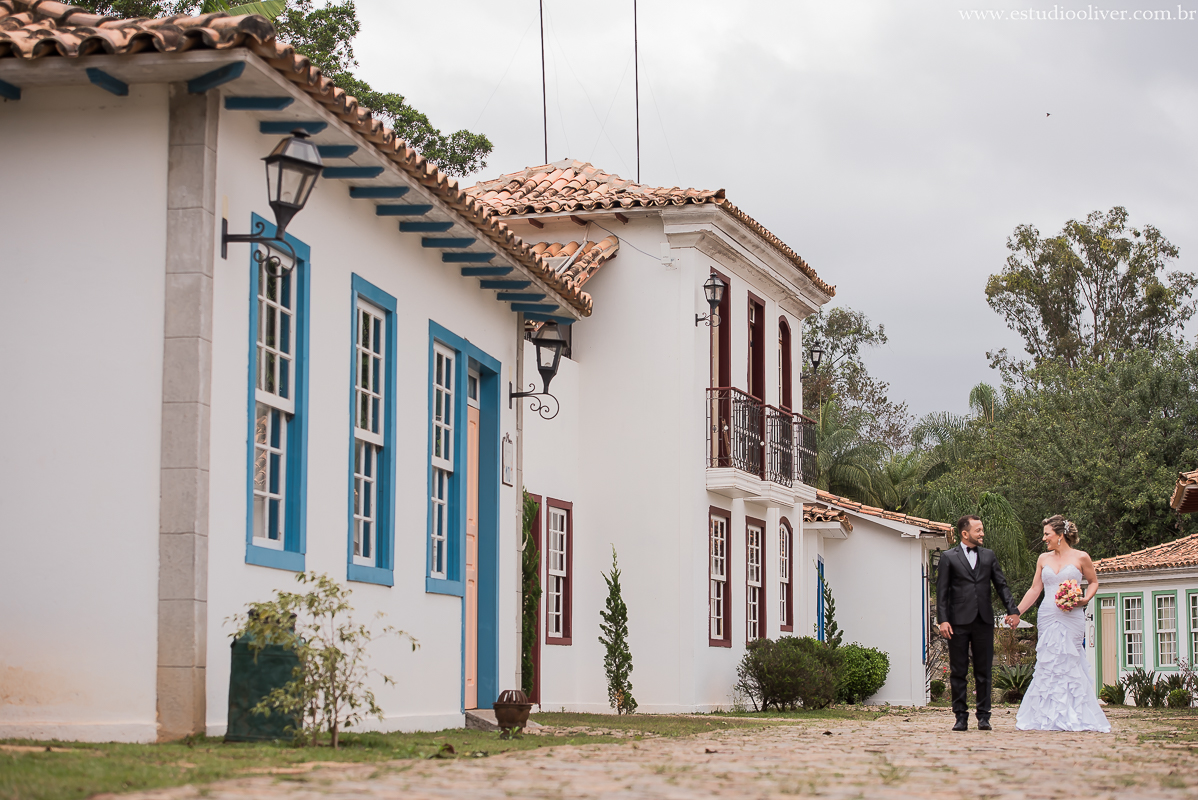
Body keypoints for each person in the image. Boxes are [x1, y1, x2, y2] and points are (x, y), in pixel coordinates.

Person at [1014, 515, 1110, 732]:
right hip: (1048, 614)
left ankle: (1074, 713)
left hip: (1071, 615)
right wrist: (1017, 611)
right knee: (1048, 662)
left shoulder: (1081, 557)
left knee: (1070, 660)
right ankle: (1046, 715)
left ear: (1060, 535)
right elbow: (1035, 589)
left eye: (1047, 534)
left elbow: (1093, 581)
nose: (1044, 538)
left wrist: (1085, 599)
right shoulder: (1042, 559)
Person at [936, 515, 1020, 731]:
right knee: (958, 670)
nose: (982, 533)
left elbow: (1001, 585)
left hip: (983, 619)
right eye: (978, 530)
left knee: (984, 671)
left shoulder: (989, 556)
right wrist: (943, 620)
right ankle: (960, 717)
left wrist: (1013, 610)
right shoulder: (948, 557)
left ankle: (984, 716)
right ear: (965, 533)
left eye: (982, 529)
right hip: (957, 622)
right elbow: (942, 591)